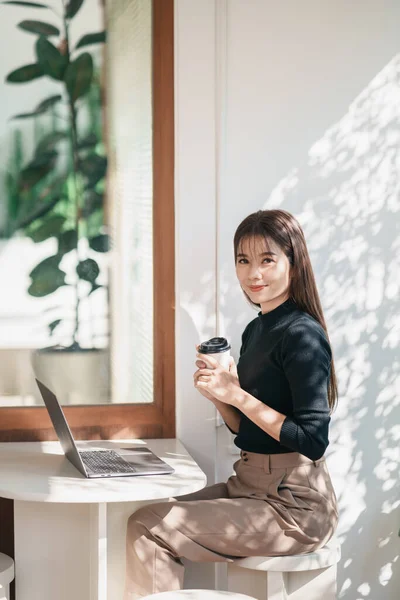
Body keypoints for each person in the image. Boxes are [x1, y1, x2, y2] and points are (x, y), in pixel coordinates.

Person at [124, 209, 339, 599]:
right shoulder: (256, 329)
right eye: (244, 260)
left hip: (295, 507)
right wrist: (222, 398)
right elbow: (249, 430)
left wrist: (237, 393)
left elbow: (311, 439)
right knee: (143, 517)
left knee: (150, 526)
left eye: (267, 260)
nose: (254, 274)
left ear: (295, 262)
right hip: (250, 485)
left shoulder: (303, 335)